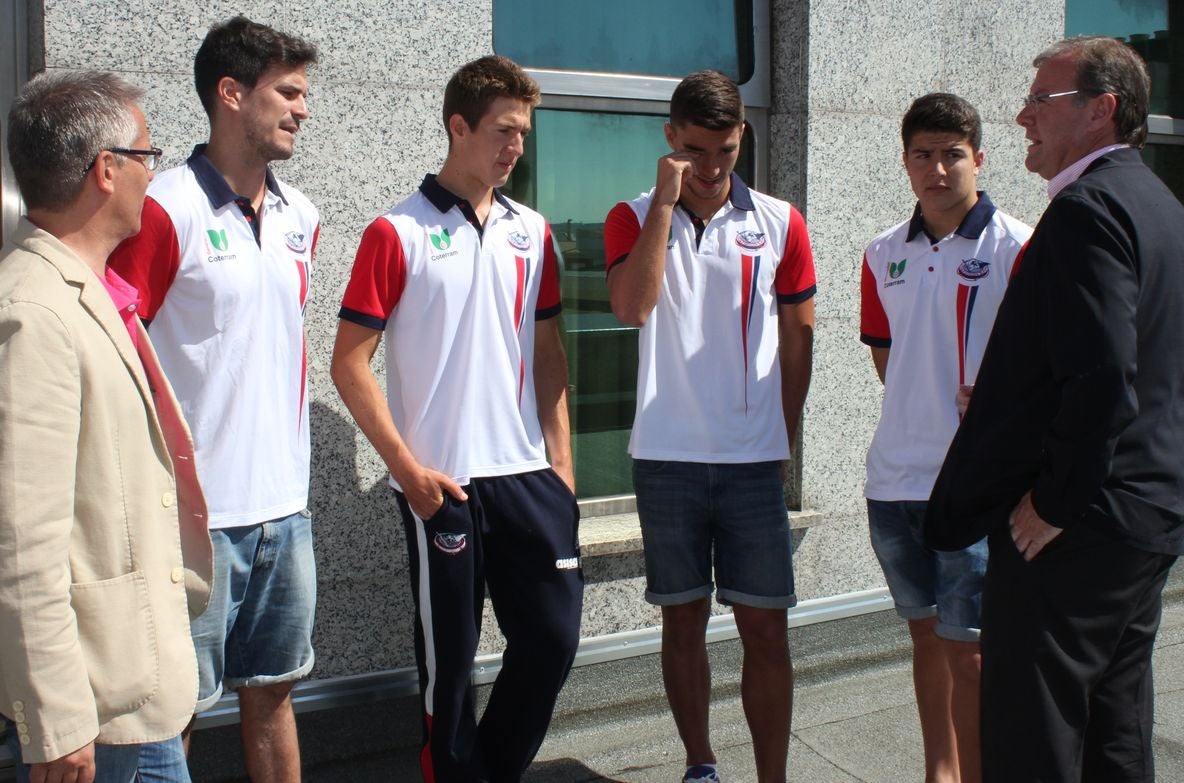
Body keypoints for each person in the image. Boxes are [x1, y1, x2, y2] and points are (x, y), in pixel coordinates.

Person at [927, 36, 1184, 782]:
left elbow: (1107, 373)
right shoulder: (1161, 204)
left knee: (1034, 736)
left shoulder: (1087, 209)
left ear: (1101, 110)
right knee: (1115, 729)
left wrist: (1056, 499)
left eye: (1041, 101)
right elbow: (1132, 358)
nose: (1022, 116)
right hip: (1146, 515)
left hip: (1080, 528)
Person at [330, 55, 583, 782]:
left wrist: (561, 465)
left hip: (528, 474)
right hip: (443, 482)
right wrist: (406, 471)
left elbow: (548, 351)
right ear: (458, 126)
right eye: (504, 131)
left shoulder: (532, 232)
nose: (516, 147)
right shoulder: (396, 231)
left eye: (525, 134)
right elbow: (350, 361)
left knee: (553, 637)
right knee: (450, 671)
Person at [108, 16, 319, 782]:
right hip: (189, 522)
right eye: (287, 92)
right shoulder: (163, 208)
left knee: (275, 695)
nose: (302, 109)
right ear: (231, 94)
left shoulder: (304, 218)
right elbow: (115, 348)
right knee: (172, 711)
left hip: (284, 512)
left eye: (303, 94)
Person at [0, 70, 212, 783]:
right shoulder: (32, 311)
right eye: (149, 157)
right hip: (88, 715)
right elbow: (19, 541)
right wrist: (54, 719)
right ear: (106, 170)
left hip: (132, 690)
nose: (156, 176)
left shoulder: (85, 289)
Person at [604, 70, 816, 783]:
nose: (712, 166)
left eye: (725, 149)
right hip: (665, 456)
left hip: (753, 463)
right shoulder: (631, 215)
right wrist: (665, 202)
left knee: (766, 626)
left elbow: (799, 340)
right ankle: (701, 764)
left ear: (742, 138)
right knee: (682, 619)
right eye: (695, 149)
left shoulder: (782, 222)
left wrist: (779, 436)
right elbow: (633, 306)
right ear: (670, 139)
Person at [860, 93, 1032, 783]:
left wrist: (995, 401)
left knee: (972, 653)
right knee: (927, 641)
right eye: (923, 154)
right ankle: (942, 769)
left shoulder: (1017, 246)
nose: (937, 168)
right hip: (894, 482)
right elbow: (885, 356)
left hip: (973, 486)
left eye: (952, 154)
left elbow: (1043, 360)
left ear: (979, 159)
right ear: (905, 162)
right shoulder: (881, 252)